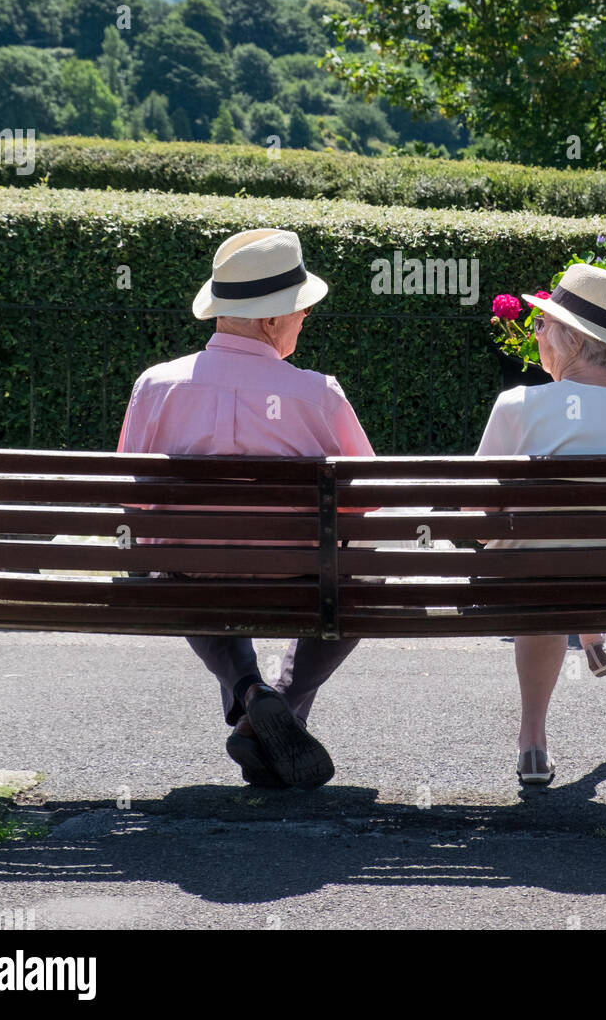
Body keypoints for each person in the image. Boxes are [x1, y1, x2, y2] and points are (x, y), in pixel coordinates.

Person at [117, 228, 374, 790]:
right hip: (302, 575)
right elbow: (363, 503)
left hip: (192, 576)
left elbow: (132, 502)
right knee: (363, 576)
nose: (305, 317)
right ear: (271, 320)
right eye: (301, 308)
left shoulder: (155, 386)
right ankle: (282, 702)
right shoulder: (317, 394)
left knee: (179, 562)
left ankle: (251, 695)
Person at [475, 262, 606, 787]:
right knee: (564, 565)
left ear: (570, 338)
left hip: (523, 584)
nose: (536, 331)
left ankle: (532, 743)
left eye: (544, 324)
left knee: (539, 574)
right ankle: (595, 630)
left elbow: (477, 520)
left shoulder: (517, 406)